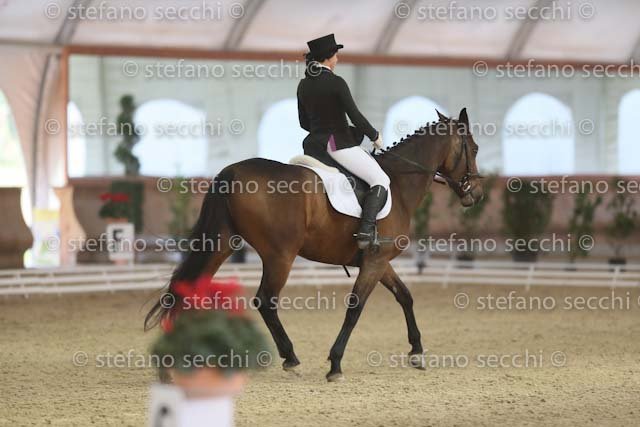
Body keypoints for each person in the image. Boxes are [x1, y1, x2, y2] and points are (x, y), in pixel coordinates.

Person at [297, 33, 390, 249]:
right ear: (329, 57)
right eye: (336, 55)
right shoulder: (336, 82)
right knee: (380, 179)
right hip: (336, 144)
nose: (337, 59)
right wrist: (374, 135)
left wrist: (322, 129)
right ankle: (366, 231)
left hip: (313, 146)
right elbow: (354, 115)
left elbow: (304, 123)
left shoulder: (303, 85)